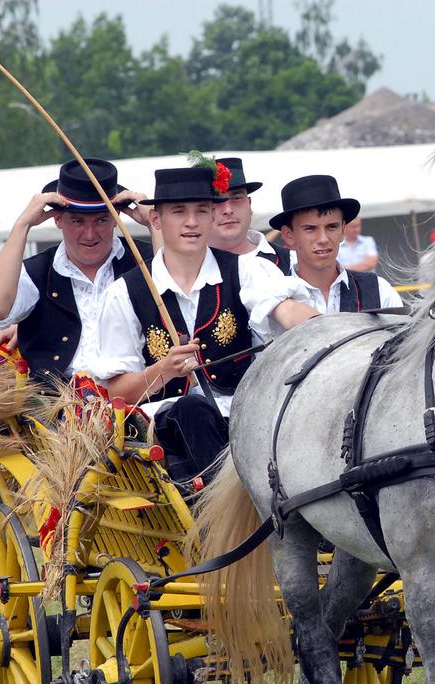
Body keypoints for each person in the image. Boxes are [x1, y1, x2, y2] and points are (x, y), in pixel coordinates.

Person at [96, 163, 285, 484]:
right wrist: (164, 370)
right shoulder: (125, 292)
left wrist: (317, 324)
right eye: (179, 212)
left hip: (245, 415)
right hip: (166, 431)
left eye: (201, 210)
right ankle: (226, 501)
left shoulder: (248, 271)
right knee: (191, 410)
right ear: (156, 219)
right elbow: (116, 392)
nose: (192, 222)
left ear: (212, 216)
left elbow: (287, 311)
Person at [0, 158, 152, 386]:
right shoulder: (38, 271)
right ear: (58, 219)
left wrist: (153, 223)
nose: (90, 234)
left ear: (116, 217)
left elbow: (175, 303)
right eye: (78, 221)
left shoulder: (146, 261)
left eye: (101, 220)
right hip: (57, 403)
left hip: (140, 398)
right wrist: (22, 225)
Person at [246, 174, 403, 340]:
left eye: (332, 227)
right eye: (310, 229)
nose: (323, 239)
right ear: (288, 235)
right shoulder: (271, 294)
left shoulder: (379, 290)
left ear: (343, 230)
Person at [208, 157, 293, 274]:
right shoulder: (188, 268)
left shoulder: (293, 263)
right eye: (217, 201)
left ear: (249, 204)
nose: (228, 210)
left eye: (236, 198)